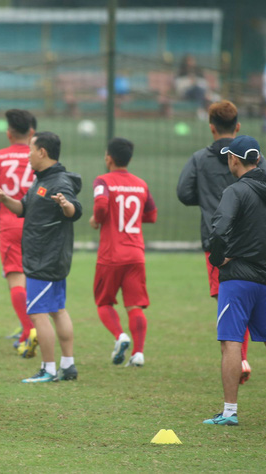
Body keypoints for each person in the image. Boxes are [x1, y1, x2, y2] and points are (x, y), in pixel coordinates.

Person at [202, 135, 266, 426]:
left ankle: (229, 412)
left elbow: (219, 228)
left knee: (231, 342)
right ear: (258, 159)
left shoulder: (235, 191)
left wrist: (217, 259)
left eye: (229, 157)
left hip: (237, 280)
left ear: (234, 160)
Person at [177, 100, 266, 384]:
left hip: (217, 241)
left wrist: (209, 198)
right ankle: (244, 357)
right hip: (253, 241)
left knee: (228, 300)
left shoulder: (199, 158)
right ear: (238, 126)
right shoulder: (255, 157)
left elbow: (184, 193)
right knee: (251, 301)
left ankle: (239, 358)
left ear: (211, 128)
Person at [0, 132, 82, 383]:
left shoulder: (58, 183)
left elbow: (74, 210)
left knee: (39, 314)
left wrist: (66, 205)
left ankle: (48, 369)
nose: (27, 155)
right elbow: (24, 209)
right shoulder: (42, 181)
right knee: (57, 311)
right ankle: (68, 365)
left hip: (45, 259)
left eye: (31, 150)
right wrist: (4, 198)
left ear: (42, 152)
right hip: (51, 257)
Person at [89, 138, 157, 367]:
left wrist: (96, 220)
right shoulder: (141, 184)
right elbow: (152, 215)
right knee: (134, 306)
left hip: (111, 254)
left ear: (108, 158)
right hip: (136, 253)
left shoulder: (103, 181)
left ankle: (121, 336)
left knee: (104, 302)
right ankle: (138, 353)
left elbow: (100, 205)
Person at [0, 109, 37, 356]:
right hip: (38, 224)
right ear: (32, 132)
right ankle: (27, 333)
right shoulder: (39, 154)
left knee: (15, 280)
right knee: (34, 278)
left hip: (11, 225)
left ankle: (29, 329)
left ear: (8, 132)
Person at [174, 54, 211, 119]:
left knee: (199, 91)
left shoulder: (198, 73)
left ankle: (205, 112)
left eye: (192, 61)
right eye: (189, 62)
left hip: (200, 93)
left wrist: (195, 81)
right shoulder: (180, 74)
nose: (191, 64)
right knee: (197, 90)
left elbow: (204, 85)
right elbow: (179, 87)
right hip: (186, 94)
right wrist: (190, 82)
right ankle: (201, 111)